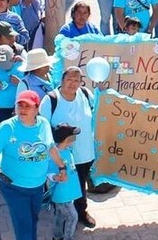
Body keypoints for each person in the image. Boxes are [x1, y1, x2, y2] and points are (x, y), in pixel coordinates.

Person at [0, 89, 67, 240]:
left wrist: (62, 167)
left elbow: (50, 148)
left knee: (32, 220)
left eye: (27, 106)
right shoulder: (7, 128)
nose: (23, 109)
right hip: (14, 187)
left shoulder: (43, 124)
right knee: (23, 225)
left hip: (37, 186)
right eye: (20, 105)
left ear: (36, 109)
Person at [39, 65, 110, 226]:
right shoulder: (51, 100)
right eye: (69, 79)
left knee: (80, 183)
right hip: (60, 154)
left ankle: (81, 212)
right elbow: (42, 128)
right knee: (61, 185)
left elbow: (101, 108)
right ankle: (61, 217)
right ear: (62, 80)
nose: (73, 83)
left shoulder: (85, 94)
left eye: (76, 80)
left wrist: (103, 91)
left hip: (84, 152)